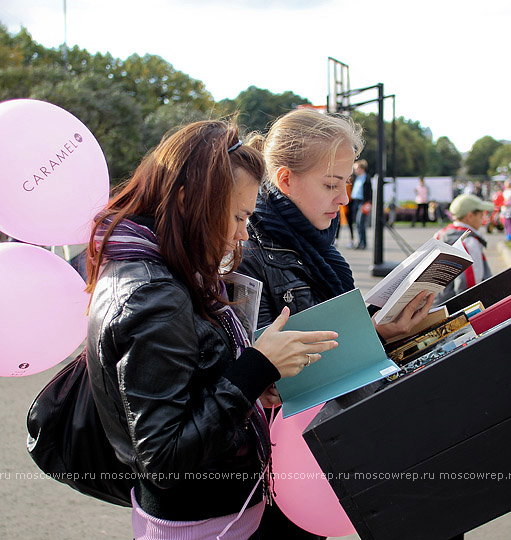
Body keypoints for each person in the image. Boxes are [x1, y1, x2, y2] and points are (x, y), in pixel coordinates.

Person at [84, 119, 340, 540]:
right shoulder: (153, 295)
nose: (242, 233)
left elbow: (186, 390)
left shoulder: (159, 271)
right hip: (202, 522)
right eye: (238, 216)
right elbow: (164, 458)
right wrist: (255, 369)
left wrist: (253, 385)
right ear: (188, 200)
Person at [237, 107, 435, 539]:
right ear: (285, 180)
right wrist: (373, 333)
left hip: (328, 445)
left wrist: (378, 328)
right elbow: (272, 382)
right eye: (331, 184)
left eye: (346, 182)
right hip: (280, 469)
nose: (344, 197)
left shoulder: (317, 246)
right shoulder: (249, 253)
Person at [433, 194, 494, 304]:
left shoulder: (440, 234)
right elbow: (470, 285)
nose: (483, 219)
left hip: (438, 302)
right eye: (480, 215)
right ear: (470, 216)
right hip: (458, 307)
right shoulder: (469, 242)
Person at [349, 158, 372, 249]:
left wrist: (369, 203)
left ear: (362, 169)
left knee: (360, 222)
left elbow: (370, 192)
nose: (354, 170)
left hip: (363, 202)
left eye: (356, 168)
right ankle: (360, 241)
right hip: (355, 201)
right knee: (357, 223)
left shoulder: (366, 178)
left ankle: (363, 242)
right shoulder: (355, 178)